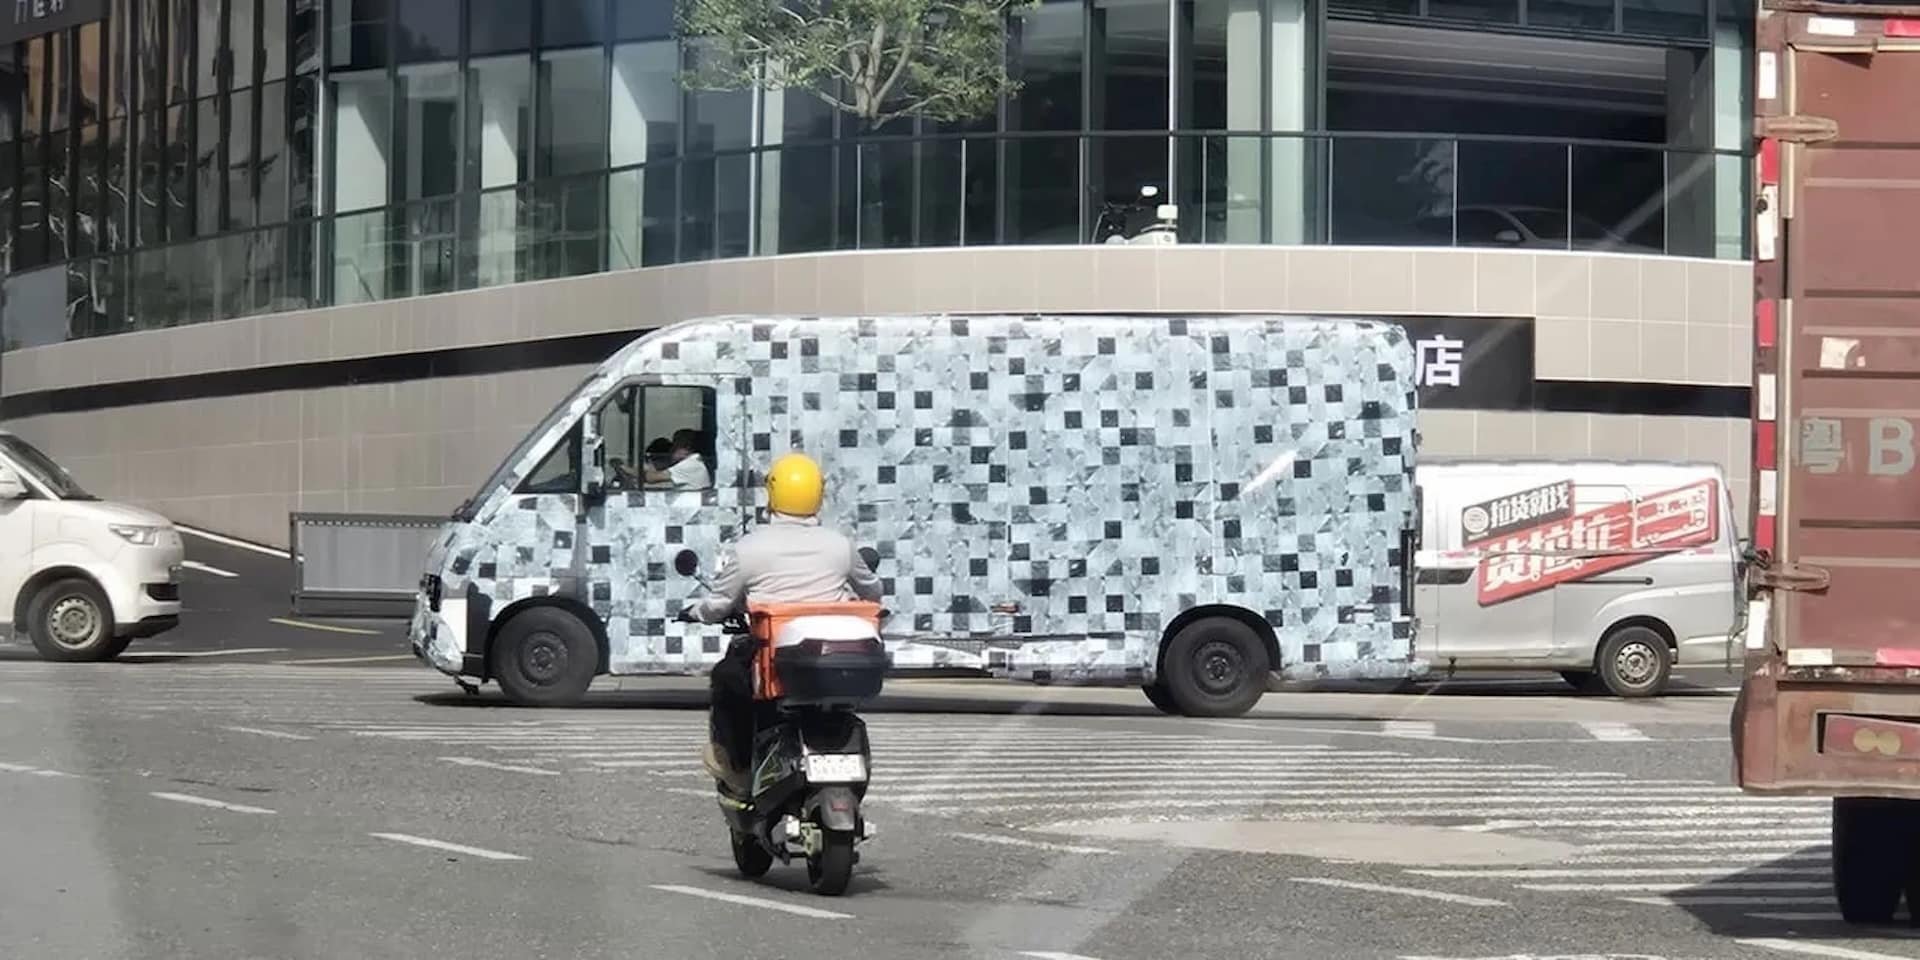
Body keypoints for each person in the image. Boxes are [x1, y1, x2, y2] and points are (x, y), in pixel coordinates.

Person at [679, 452, 883, 792]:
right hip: (835, 659)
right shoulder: (841, 545)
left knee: (726, 678)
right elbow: (873, 592)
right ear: (819, 494)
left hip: (773, 660)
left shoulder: (749, 548)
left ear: (771, 493)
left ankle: (738, 766)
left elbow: (718, 605)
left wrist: (694, 612)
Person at [644, 429, 713, 490]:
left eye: (676, 446)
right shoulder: (694, 462)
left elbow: (651, 478)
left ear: (687, 448)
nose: (672, 450)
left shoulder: (690, 464)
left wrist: (650, 462)